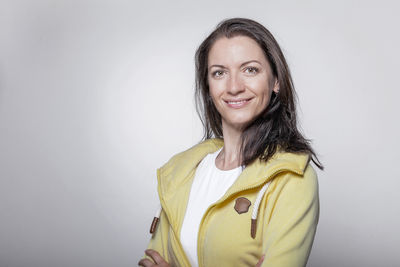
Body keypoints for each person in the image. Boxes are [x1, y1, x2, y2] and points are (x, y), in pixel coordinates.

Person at [138, 17, 323, 267]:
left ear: (275, 81)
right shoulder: (181, 171)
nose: (234, 86)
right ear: (208, 85)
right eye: (219, 73)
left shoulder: (292, 179)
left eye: (250, 69)